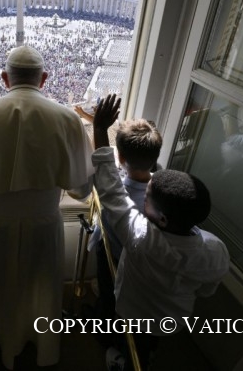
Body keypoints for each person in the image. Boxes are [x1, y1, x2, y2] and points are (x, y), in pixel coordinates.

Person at [0, 45, 94, 370]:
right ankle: (36, 344)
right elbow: (82, 190)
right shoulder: (68, 119)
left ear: (4, 78)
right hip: (42, 225)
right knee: (36, 288)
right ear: (44, 78)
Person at [91, 94, 229, 371]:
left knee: (132, 347)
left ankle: (124, 361)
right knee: (148, 342)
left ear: (163, 218)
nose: (143, 198)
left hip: (134, 311)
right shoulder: (216, 250)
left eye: (147, 198)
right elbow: (206, 289)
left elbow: (111, 191)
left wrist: (99, 128)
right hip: (173, 318)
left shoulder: (142, 238)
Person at [89, 116, 163, 330]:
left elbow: (108, 182)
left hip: (112, 255)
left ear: (120, 158)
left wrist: (100, 129)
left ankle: (103, 329)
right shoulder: (162, 192)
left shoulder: (118, 195)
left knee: (107, 293)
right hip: (140, 266)